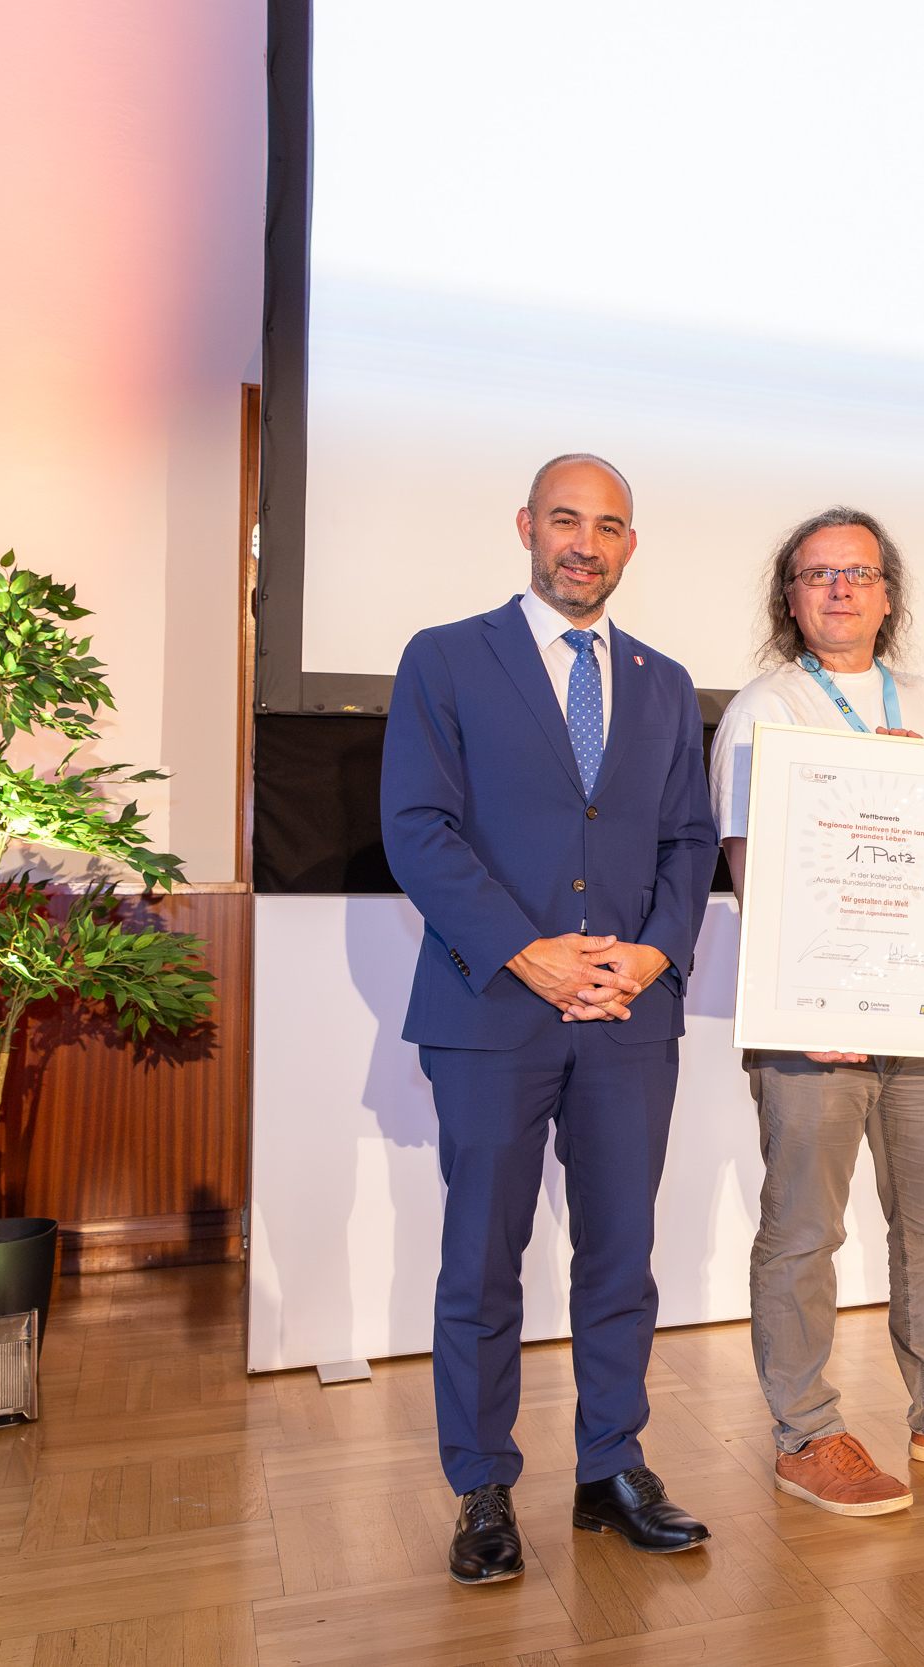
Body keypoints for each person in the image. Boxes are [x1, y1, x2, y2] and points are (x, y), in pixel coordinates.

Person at [380, 453, 719, 1584]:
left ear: (631, 544)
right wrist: (528, 952)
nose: (585, 543)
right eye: (566, 519)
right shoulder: (444, 657)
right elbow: (417, 826)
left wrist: (654, 952)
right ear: (526, 525)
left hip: (628, 1013)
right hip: (493, 1007)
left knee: (621, 1254)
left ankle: (610, 1469)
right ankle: (482, 1485)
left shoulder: (664, 681)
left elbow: (686, 841)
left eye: (608, 525)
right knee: (482, 1259)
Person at [710, 506, 924, 1517]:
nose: (839, 589)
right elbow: (747, 864)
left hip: (922, 1008)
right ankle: (806, 1432)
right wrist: (797, 1000)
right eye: (817, 574)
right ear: (789, 597)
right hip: (814, 1020)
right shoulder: (764, 706)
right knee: (802, 1231)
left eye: (858, 573)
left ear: (887, 594)